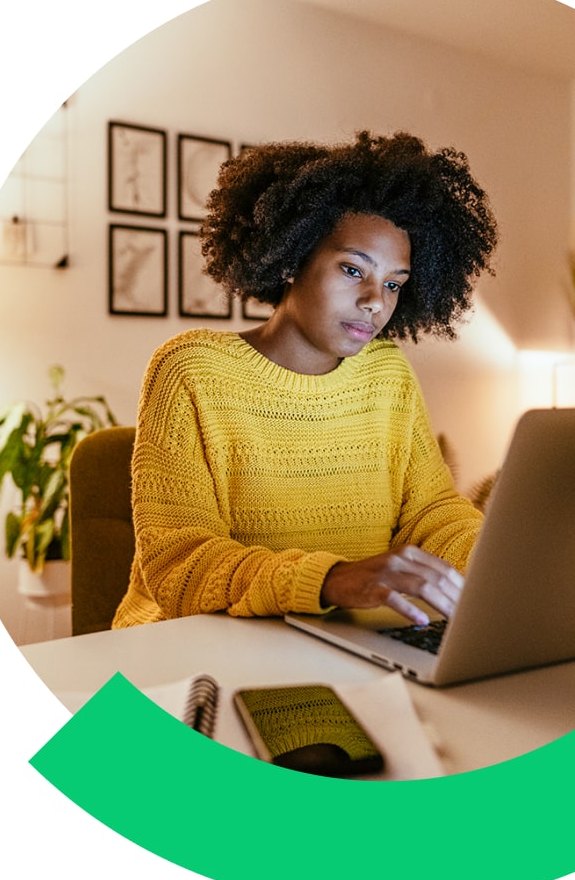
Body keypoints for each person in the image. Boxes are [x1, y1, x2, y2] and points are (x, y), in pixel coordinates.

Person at [112, 131, 498, 629]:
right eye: (353, 270)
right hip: (195, 646)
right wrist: (330, 579)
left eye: (394, 284)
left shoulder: (387, 373)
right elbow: (181, 563)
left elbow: (432, 512)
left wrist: (494, 562)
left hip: (344, 637)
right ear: (293, 258)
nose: (375, 301)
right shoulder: (192, 370)